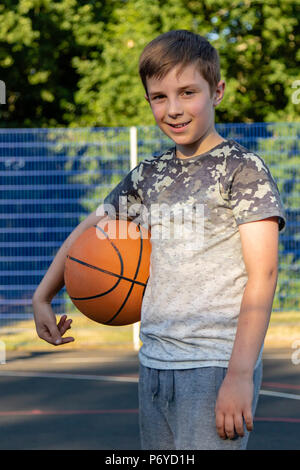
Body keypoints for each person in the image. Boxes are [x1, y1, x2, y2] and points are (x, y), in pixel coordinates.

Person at [33, 30, 287, 450]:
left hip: (214, 364)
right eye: (159, 97)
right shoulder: (149, 175)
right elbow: (91, 228)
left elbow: (265, 273)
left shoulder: (241, 170)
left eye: (188, 92)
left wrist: (240, 374)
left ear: (217, 91)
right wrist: (44, 295)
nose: (173, 109)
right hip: (153, 364)